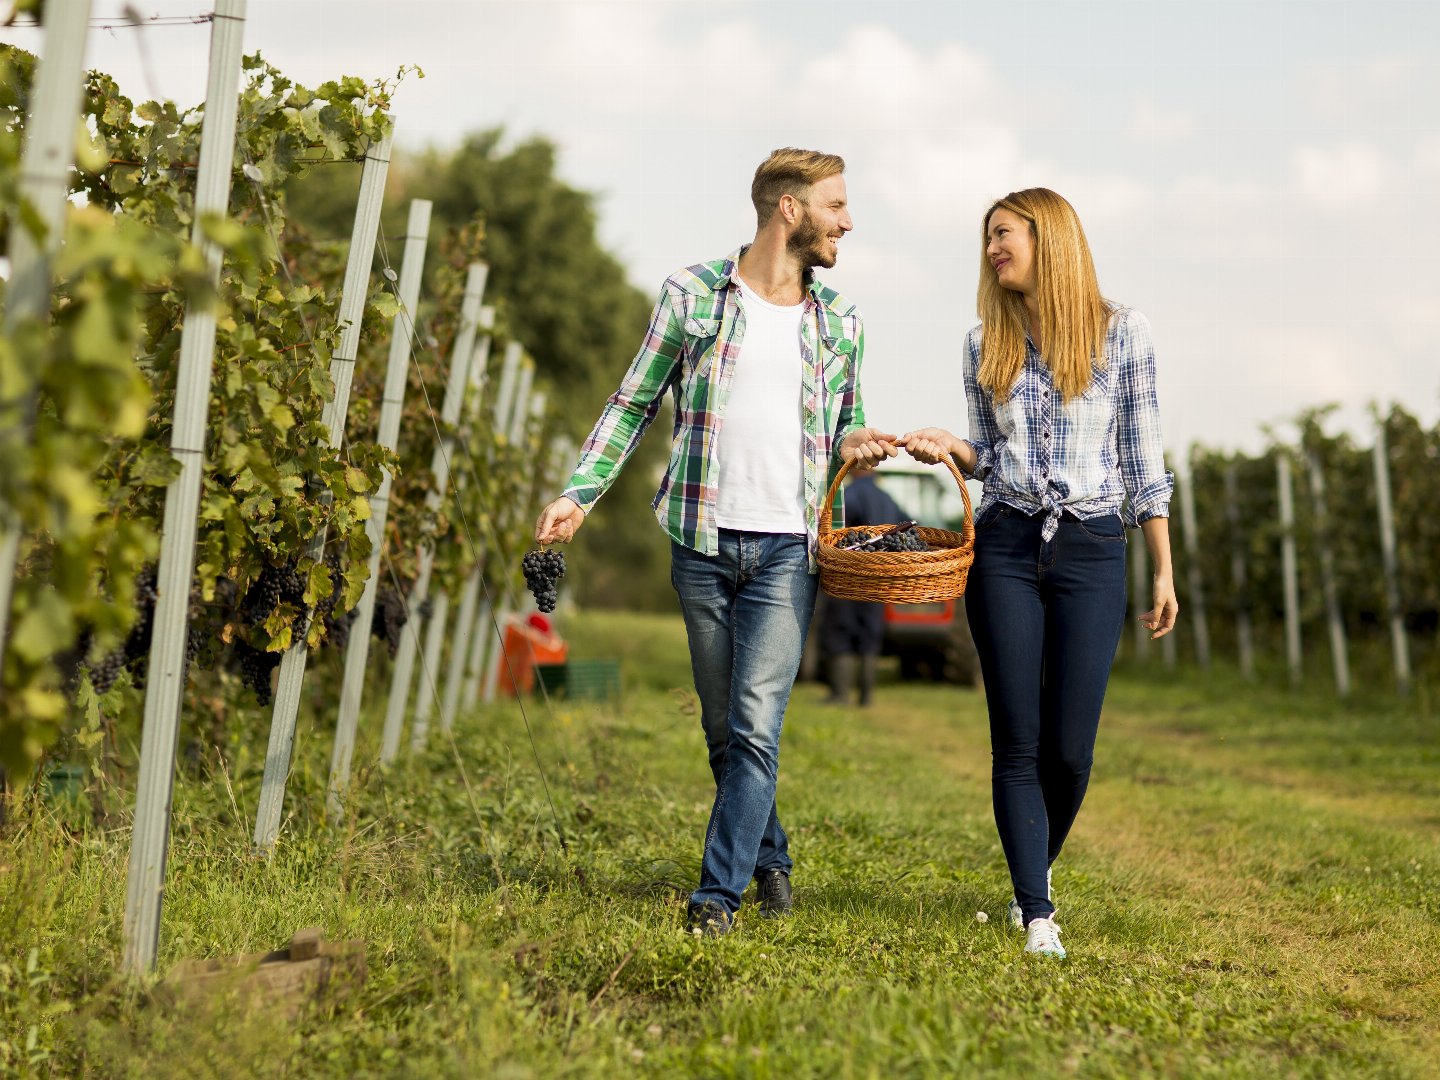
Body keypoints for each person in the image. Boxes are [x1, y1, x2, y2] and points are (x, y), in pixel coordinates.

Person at [534, 147, 897, 938]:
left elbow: (845, 430)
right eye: (836, 204)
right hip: (700, 538)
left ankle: (716, 900)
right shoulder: (692, 295)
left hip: (786, 552)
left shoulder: (841, 322)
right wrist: (578, 493)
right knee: (723, 728)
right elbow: (631, 404)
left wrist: (861, 441)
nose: (849, 220)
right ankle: (769, 857)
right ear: (789, 211)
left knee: (757, 722)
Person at [897, 187, 1178, 959]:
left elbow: (1142, 461)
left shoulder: (1124, 334)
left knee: (1070, 750)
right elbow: (994, 458)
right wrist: (958, 449)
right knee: (1016, 740)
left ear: (1048, 238)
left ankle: (1032, 870)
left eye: (1005, 234)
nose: (992, 248)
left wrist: (1162, 568)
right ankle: (1037, 910)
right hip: (1008, 547)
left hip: (1092, 547)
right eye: (988, 236)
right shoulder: (981, 343)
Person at [820, 466, 905, 706]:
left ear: (855, 469)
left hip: (850, 576)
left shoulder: (850, 494)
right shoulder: (888, 498)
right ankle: (866, 697)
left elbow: (839, 527)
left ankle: (840, 694)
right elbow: (905, 526)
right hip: (878, 580)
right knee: (870, 633)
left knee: (839, 630)